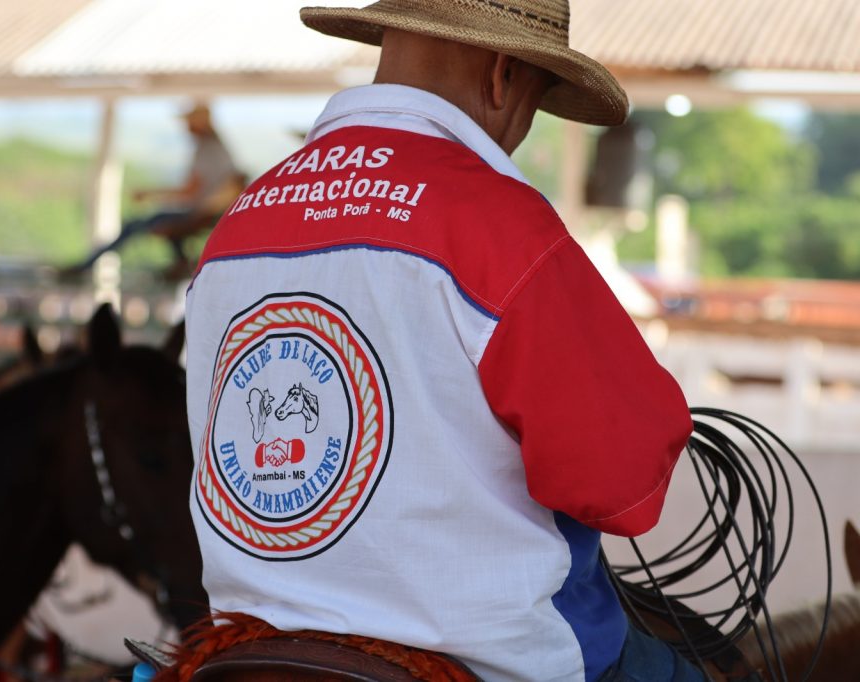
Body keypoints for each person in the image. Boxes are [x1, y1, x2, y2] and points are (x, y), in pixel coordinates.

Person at [178, 1, 700, 680]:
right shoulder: (504, 224)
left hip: (248, 638)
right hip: (490, 656)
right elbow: (621, 486)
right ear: (504, 77)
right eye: (537, 98)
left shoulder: (238, 225)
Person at [66, 102, 244, 281]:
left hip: (197, 214)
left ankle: (84, 268)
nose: (187, 127)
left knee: (134, 226)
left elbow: (189, 191)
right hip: (204, 214)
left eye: (189, 123)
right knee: (159, 222)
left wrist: (150, 194)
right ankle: (180, 264)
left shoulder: (206, 149)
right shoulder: (217, 148)